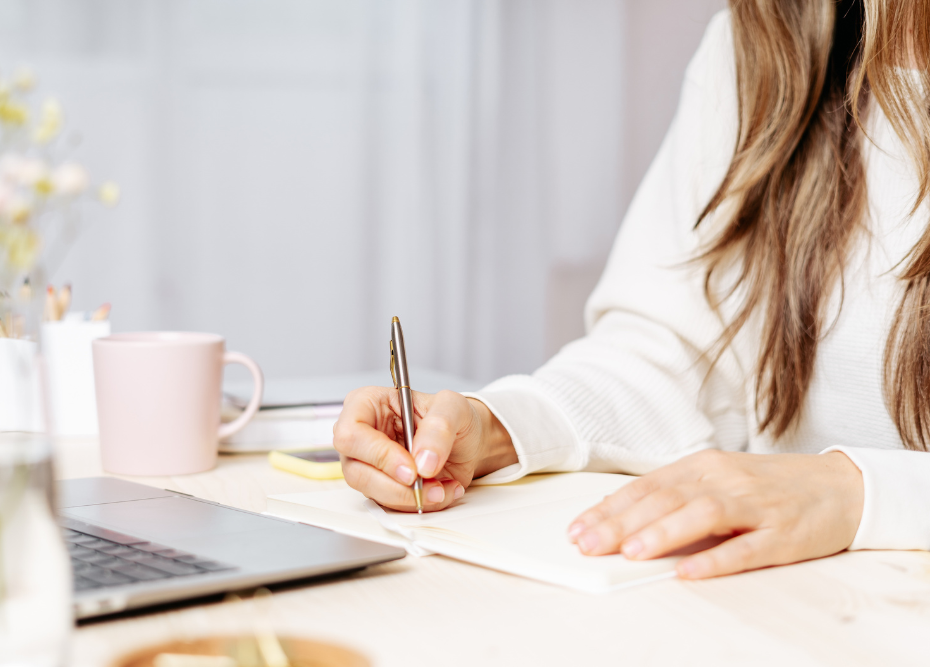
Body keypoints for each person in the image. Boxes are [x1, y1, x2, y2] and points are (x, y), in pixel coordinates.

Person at [332, 1, 930, 580]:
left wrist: (856, 492)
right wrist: (500, 428)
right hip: (788, 605)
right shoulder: (760, 51)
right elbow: (670, 355)